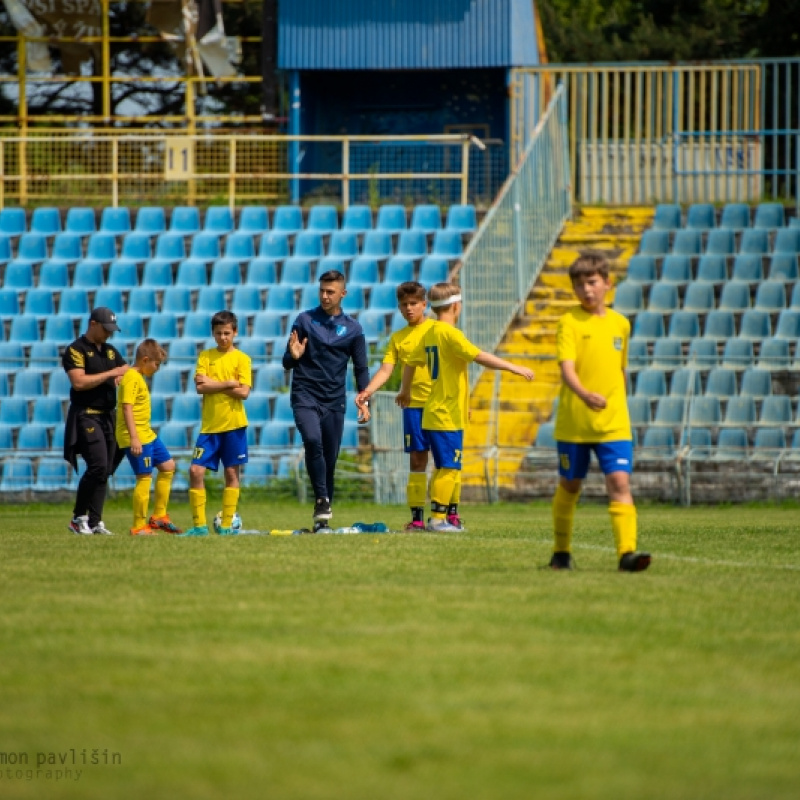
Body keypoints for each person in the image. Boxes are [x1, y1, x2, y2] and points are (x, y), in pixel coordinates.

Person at [397, 282, 534, 532]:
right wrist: (514, 367)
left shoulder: (428, 332)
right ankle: (439, 519)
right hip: (446, 413)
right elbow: (479, 355)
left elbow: (410, 362)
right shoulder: (451, 334)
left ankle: (439, 518)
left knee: (444, 467)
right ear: (456, 306)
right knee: (449, 467)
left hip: (434, 411)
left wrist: (405, 390)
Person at [550, 252, 651, 572]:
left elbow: (620, 372)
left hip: (614, 424)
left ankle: (627, 554)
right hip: (575, 423)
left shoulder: (621, 324)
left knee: (620, 483)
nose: (586, 290)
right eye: (579, 285)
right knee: (570, 486)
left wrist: (619, 405)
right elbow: (567, 369)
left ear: (608, 283)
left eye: (592, 283)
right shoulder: (568, 322)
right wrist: (584, 395)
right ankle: (561, 552)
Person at [283, 269, 370, 532]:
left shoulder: (354, 329)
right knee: (312, 440)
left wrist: (364, 399)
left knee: (329, 460)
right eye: (321, 290)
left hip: (334, 400)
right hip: (305, 394)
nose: (324, 295)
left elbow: (361, 368)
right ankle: (322, 500)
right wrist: (294, 356)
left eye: (330, 291)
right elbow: (286, 362)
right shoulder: (304, 320)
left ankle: (322, 521)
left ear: (342, 294)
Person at [354, 281, 439, 531]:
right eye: (404, 305)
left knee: (445, 462)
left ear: (424, 304)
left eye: (414, 304)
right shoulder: (398, 338)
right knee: (416, 461)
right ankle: (417, 518)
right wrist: (367, 391)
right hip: (413, 407)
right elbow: (386, 368)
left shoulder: (438, 330)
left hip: (441, 405)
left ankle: (443, 516)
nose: (409, 308)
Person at [179, 310, 252, 537]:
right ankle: (199, 526)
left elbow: (244, 393)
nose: (223, 337)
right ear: (213, 333)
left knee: (231, 473)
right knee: (195, 471)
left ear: (235, 332)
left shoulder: (242, 359)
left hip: (234, 425)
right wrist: (230, 382)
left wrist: (216, 383)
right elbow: (201, 388)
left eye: (227, 333)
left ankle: (227, 525)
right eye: (219, 333)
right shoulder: (205, 356)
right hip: (209, 427)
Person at [63, 307, 129, 535]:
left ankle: (94, 521)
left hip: (108, 415)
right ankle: (78, 518)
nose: (109, 334)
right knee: (98, 465)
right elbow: (79, 382)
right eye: (106, 329)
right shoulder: (75, 350)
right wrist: (111, 375)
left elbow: (123, 371)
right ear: (93, 324)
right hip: (86, 414)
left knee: (106, 468)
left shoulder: (110, 351)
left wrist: (121, 374)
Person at [115, 339, 182, 536]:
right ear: (145, 360)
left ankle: (159, 517)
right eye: (156, 364)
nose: (157, 368)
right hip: (136, 436)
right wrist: (134, 438)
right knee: (144, 477)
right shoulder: (131, 378)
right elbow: (126, 407)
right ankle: (138, 526)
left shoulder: (138, 376)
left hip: (148, 433)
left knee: (168, 466)